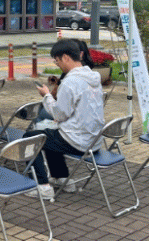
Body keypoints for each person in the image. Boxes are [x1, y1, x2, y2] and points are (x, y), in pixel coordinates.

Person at [25, 38, 105, 200]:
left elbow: (59, 114)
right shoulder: (93, 77)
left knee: (30, 138)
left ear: (66, 58)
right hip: (94, 140)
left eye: (57, 61)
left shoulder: (70, 82)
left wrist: (46, 95)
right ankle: (62, 178)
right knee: (49, 134)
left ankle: (43, 187)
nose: (58, 65)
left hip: (79, 142)